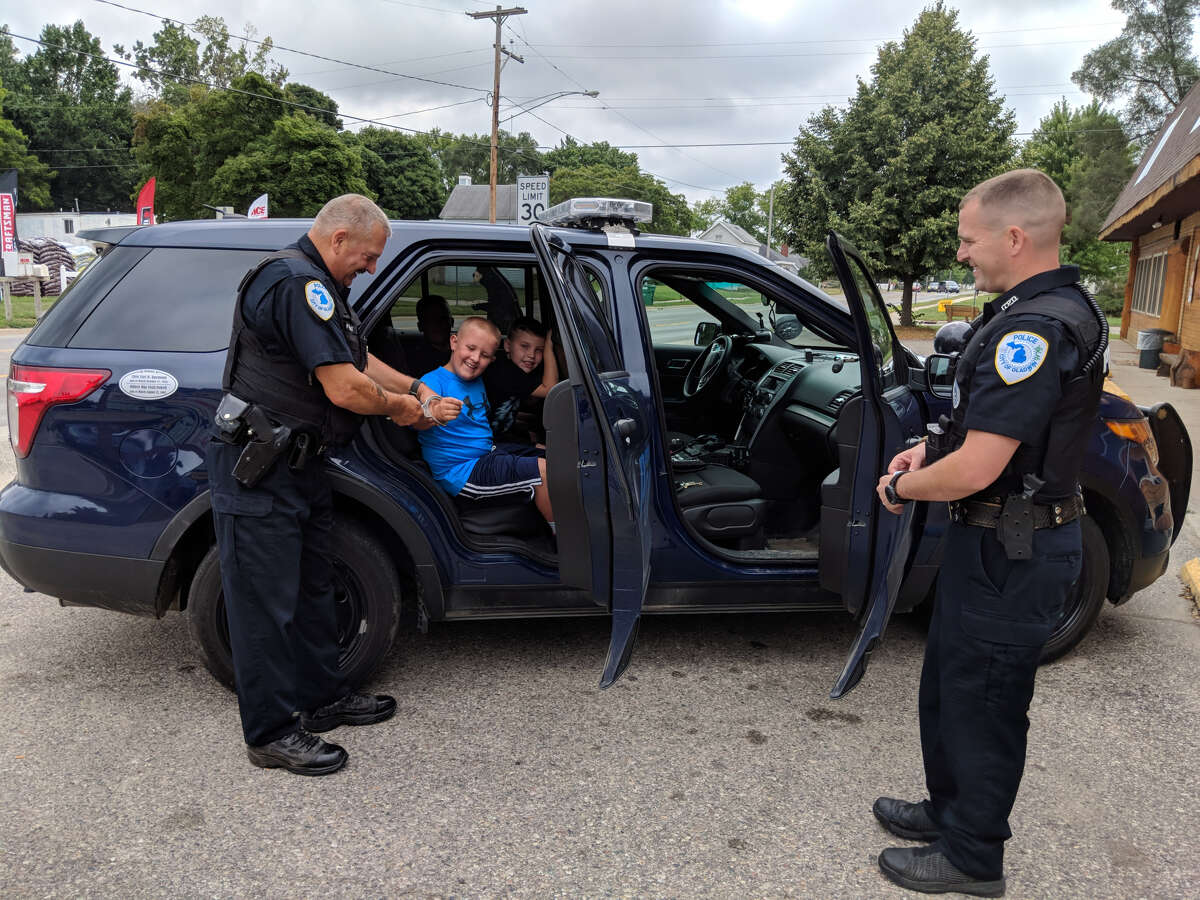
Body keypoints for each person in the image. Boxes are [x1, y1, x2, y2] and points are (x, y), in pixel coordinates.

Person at [871, 169, 1107, 896]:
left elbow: (980, 466)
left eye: (970, 241)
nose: (964, 254)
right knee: (950, 685)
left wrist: (902, 486)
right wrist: (925, 449)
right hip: (995, 542)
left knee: (986, 702)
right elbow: (975, 426)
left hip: (1017, 546)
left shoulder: (1037, 327)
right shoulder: (1024, 310)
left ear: (1014, 236)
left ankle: (974, 857)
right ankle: (948, 812)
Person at [208, 194, 462, 776]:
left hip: (299, 466)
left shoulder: (318, 286)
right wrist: (405, 410)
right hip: (261, 470)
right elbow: (346, 388)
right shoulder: (296, 283)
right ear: (340, 239)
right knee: (264, 606)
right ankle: (271, 733)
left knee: (312, 588)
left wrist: (418, 386)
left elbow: (358, 357)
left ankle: (323, 700)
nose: (372, 268)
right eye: (370, 256)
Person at [415, 316, 554, 529]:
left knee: (556, 458)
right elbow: (416, 419)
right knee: (545, 471)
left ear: (492, 359)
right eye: (470, 348)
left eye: (485, 355)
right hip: (460, 472)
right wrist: (432, 413)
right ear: (454, 342)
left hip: (487, 453)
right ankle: (565, 542)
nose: (475, 358)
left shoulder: (477, 380)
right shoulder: (432, 383)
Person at [483, 315, 559, 443]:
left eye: (539, 350)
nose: (531, 355)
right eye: (524, 346)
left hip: (499, 435)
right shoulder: (508, 372)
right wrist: (548, 348)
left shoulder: (509, 367)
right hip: (491, 442)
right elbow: (551, 389)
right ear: (507, 345)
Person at [407, 294, 454, 376]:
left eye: (443, 318)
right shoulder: (417, 361)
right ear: (420, 326)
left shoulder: (462, 350)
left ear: (451, 322)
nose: (438, 324)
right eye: (430, 320)